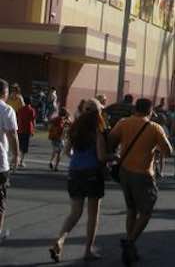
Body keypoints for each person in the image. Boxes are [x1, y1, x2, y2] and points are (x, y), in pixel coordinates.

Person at [109, 97, 172, 266]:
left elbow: (111, 141)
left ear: (135, 108)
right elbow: (168, 151)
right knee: (146, 211)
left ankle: (131, 246)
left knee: (131, 209)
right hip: (143, 174)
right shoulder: (154, 128)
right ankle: (130, 241)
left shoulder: (123, 123)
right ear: (150, 111)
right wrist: (155, 147)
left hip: (124, 171)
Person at [49, 98, 106, 262]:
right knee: (93, 215)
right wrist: (112, 156)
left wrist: (79, 159)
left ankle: (60, 240)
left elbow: (67, 151)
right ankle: (88, 250)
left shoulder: (75, 128)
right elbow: (101, 156)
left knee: (74, 213)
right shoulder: (97, 131)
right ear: (98, 112)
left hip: (75, 173)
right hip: (92, 174)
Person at [0, 79, 19, 244]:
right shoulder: (7, 110)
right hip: (0, 163)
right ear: (4, 93)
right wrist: (17, 155)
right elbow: (13, 135)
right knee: (0, 200)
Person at [16, 96, 37, 168]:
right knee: (24, 147)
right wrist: (33, 129)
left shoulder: (20, 109)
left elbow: (18, 118)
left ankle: (16, 160)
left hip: (20, 129)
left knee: (18, 145)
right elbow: (33, 120)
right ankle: (21, 161)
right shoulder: (31, 110)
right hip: (27, 129)